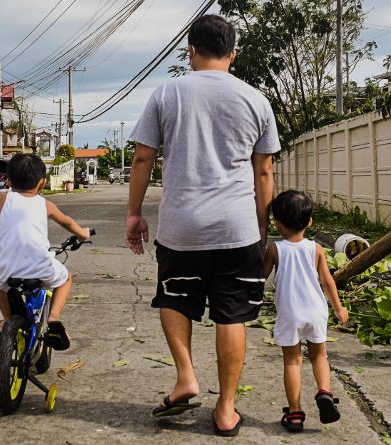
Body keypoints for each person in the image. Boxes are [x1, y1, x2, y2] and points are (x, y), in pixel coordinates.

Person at [125, 14, 280, 437]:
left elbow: (143, 158)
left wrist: (134, 213)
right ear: (233, 53)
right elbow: (263, 173)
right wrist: (263, 229)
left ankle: (186, 377)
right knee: (232, 314)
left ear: (190, 50)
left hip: (181, 228)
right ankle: (226, 408)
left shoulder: (166, 93)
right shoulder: (256, 100)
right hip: (238, 228)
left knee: (175, 300)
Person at [264, 190, 350, 433]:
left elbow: (261, 277)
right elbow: (328, 282)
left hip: (290, 313)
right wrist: (339, 307)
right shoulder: (316, 249)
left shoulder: (275, 249)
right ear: (310, 222)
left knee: (293, 362)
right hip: (316, 311)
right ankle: (324, 392)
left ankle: (294, 414)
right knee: (319, 356)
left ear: (277, 224)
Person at [0, 153, 91, 350]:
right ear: (42, 183)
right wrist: (83, 234)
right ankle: (54, 318)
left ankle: (7, 319)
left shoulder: (3, 199)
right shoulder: (45, 204)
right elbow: (67, 222)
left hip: (6, 268)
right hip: (40, 266)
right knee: (66, 278)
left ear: (9, 181)